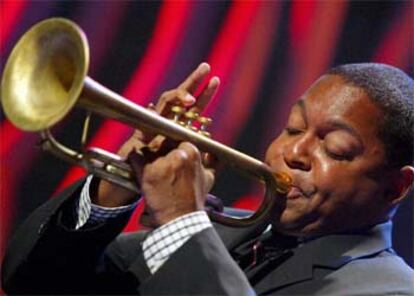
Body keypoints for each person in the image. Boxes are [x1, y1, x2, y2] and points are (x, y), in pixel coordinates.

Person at [2, 62, 414, 295]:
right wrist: (121, 181)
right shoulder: (215, 234)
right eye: (292, 128)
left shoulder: (388, 288)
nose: (293, 153)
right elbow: (32, 282)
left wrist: (183, 225)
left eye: (335, 148)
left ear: (396, 187)